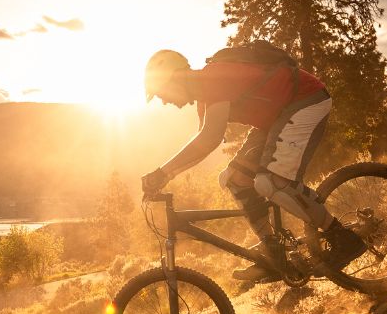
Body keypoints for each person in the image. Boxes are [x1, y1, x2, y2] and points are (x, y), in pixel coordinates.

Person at [141, 46, 366, 282]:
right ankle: (274, 254)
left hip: (306, 101)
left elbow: (209, 139)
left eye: (160, 94)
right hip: (277, 117)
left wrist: (162, 172)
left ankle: (343, 238)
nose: (164, 102)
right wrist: (166, 176)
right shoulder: (203, 96)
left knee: (271, 182)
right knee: (234, 179)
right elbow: (202, 146)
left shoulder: (212, 78)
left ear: (173, 79)